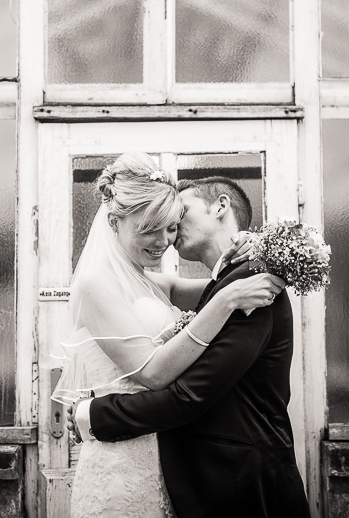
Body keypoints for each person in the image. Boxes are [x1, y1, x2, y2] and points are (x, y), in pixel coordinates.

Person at [53, 153, 283, 518]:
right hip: (121, 460)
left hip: (164, 457)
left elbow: (217, 284)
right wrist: (226, 300)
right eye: (149, 229)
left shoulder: (149, 281)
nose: (164, 241)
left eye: (171, 227)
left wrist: (252, 249)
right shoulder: (96, 283)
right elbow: (153, 373)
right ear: (114, 222)